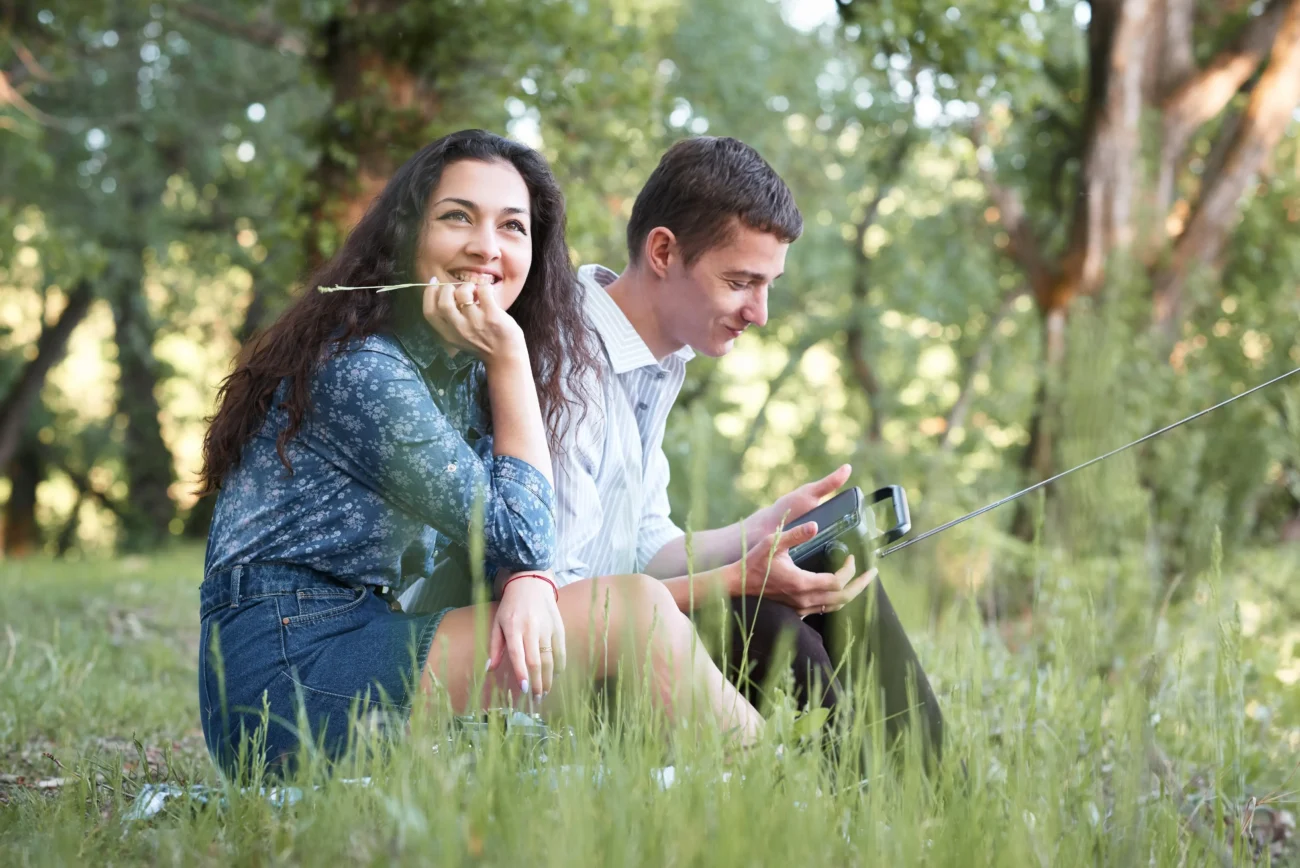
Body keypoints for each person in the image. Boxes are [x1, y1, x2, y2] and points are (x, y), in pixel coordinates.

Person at [195, 130, 765, 774]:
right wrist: (511, 358)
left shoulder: (447, 366)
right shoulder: (365, 370)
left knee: (627, 625)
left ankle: (755, 783)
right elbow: (521, 530)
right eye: (457, 217)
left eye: (513, 227)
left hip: (366, 637)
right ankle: (780, 784)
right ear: (407, 231)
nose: (486, 246)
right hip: (286, 672)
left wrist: (526, 578)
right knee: (632, 613)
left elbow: (511, 538)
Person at [519, 136, 940, 756]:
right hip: (552, 666)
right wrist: (741, 581)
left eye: (767, 284)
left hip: (623, 627)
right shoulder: (566, 363)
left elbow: (644, 546)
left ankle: (925, 804)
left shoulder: (651, 367)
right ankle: (846, 818)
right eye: (741, 281)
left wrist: (759, 532)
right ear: (663, 251)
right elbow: (563, 596)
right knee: (768, 625)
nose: (760, 312)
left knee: (837, 583)